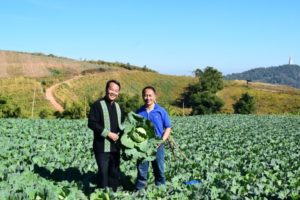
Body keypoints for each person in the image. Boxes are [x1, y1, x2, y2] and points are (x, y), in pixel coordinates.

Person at [88, 80, 124, 191]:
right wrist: (108, 134)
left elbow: (122, 125)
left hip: (115, 148)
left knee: (114, 173)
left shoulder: (119, 107)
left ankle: (113, 195)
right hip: (101, 147)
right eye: (111, 89)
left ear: (118, 93)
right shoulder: (97, 105)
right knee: (103, 173)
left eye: (116, 91)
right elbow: (92, 123)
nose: (113, 92)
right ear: (106, 89)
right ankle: (101, 195)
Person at [135, 86, 172, 190]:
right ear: (143, 96)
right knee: (142, 169)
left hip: (157, 145)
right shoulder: (139, 112)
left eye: (150, 95)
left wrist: (161, 141)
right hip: (142, 146)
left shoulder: (160, 111)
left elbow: (168, 127)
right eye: (145, 95)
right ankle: (140, 191)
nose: (148, 98)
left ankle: (160, 190)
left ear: (155, 96)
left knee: (159, 169)